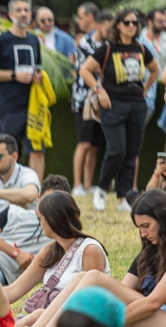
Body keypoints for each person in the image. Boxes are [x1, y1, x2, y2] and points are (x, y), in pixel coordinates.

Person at [15, 190, 166, 327]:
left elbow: (152, 303)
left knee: (94, 277)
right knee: (84, 278)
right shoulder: (148, 253)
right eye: (140, 227)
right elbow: (118, 292)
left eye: (146, 226)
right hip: (145, 326)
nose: (143, 234)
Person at [79, 9, 158, 212]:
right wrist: (99, 89)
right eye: (127, 22)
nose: (131, 26)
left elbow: (155, 69)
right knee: (117, 150)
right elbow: (85, 70)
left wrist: (145, 90)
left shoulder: (141, 48)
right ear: (118, 25)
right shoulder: (107, 48)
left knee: (132, 152)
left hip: (137, 106)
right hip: (112, 105)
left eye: (134, 22)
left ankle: (124, 196)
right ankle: (102, 189)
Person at [3, 191, 109, 327]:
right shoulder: (50, 251)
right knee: (25, 318)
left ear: (52, 220)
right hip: (48, 321)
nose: (40, 223)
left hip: (79, 322)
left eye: (41, 218)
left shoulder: (89, 250)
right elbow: (15, 289)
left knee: (36, 317)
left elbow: (91, 301)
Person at [0, 0, 44, 182]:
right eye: (19, 10)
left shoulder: (34, 40)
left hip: (33, 107)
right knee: (7, 152)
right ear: (11, 15)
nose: (23, 13)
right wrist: (13, 75)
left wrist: (37, 77)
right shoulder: (1, 40)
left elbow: (38, 69)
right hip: (9, 107)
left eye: (26, 10)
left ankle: (36, 193)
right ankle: (6, 189)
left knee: (37, 151)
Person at [0, 175, 72, 285]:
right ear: (38, 197)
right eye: (46, 201)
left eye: (55, 205)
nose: (49, 208)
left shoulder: (58, 236)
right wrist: (16, 253)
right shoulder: (13, 212)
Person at [72, 10, 112, 197]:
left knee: (95, 145)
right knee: (84, 143)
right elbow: (93, 67)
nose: (111, 33)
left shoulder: (108, 44)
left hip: (100, 100)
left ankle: (88, 186)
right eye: (108, 29)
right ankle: (77, 185)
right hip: (83, 100)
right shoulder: (86, 43)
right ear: (98, 26)